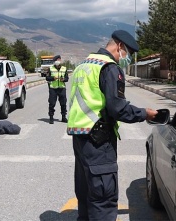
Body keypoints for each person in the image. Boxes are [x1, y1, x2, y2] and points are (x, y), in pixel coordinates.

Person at [66, 30, 158, 221]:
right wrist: (144, 114)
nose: (128, 58)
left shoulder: (83, 65)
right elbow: (118, 109)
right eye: (128, 53)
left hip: (80, 139)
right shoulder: (109, 68)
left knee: (86, 196)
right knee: (103, 200)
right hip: (99, 142)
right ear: (119, 46)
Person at [46, 55, 69, 124]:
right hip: (53, 88)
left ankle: (63, 117)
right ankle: (51, 118)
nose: (58, 61)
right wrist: (53, 78)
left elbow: (67, 78)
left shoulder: (64, 68)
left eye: (59, 60)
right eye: (57, 60)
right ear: (54, 61)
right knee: (52, 103)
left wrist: (63, 79)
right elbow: (47, 78)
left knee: (63, 103)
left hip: (62, 88)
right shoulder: (50, 68)